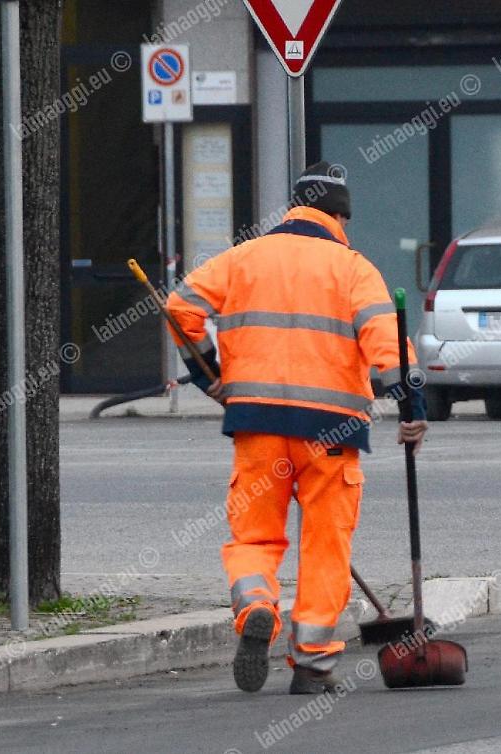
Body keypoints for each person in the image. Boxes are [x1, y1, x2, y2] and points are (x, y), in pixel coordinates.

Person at [165, 161, 428, 695]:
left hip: (256, 424)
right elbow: (388, 348)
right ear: (339, 216)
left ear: (293, 208)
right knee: (325, 544)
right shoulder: (353, 268)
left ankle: (257, 607)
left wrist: (209, 375)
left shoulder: (243, 258)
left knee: (254, 535)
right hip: (331, 434)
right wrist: (412, 409)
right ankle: (312, 664)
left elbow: (180, 306)